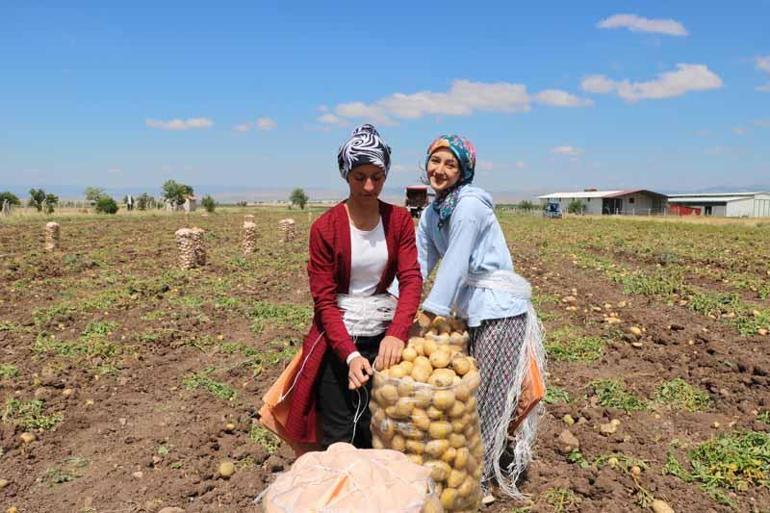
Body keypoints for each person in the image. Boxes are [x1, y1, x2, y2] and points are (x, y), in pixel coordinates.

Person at [414, 135, 546, 498]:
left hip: (499, 308)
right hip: (469, 309)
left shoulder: (469, 206)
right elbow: (418, 264)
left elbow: (455, 263)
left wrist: (427, 315)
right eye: (435, 161)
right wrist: (395, 305)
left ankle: (482, 479)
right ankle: (462, 467)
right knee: (466, 391)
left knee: (487, 395)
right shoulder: (432, 211)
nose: (439, 170)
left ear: (463, 171)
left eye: (450, 164)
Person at [285, 124, 422, 450]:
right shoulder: (325, 228)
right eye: (360, 176)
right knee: (339, 437)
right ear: (346, 174)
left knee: (381, 431)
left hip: (384, 337)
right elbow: (325, 301)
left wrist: (397, 332)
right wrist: (349, 356)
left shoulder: (399, 220)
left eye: (377, 176)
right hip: (338, 342)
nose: (369, 185)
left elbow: (411, 279)